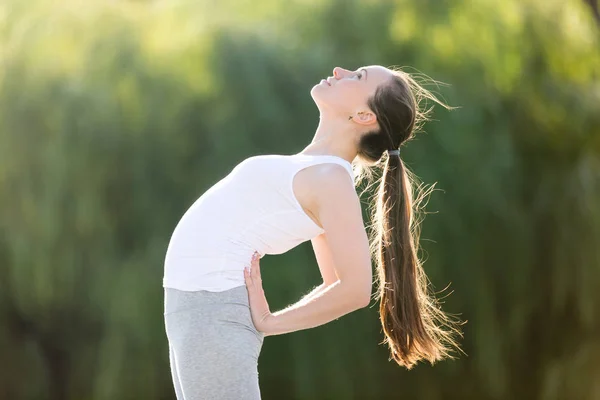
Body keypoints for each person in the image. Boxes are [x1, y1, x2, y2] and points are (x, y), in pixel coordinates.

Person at [163, 65, 464, 400]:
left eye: (358, 76)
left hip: (215, 308)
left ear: (364, 115)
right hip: (193, 308)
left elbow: (354, 289)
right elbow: (334, 280)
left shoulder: (332, 180)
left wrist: (270, 321)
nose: (341, 70)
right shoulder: (313, 169)